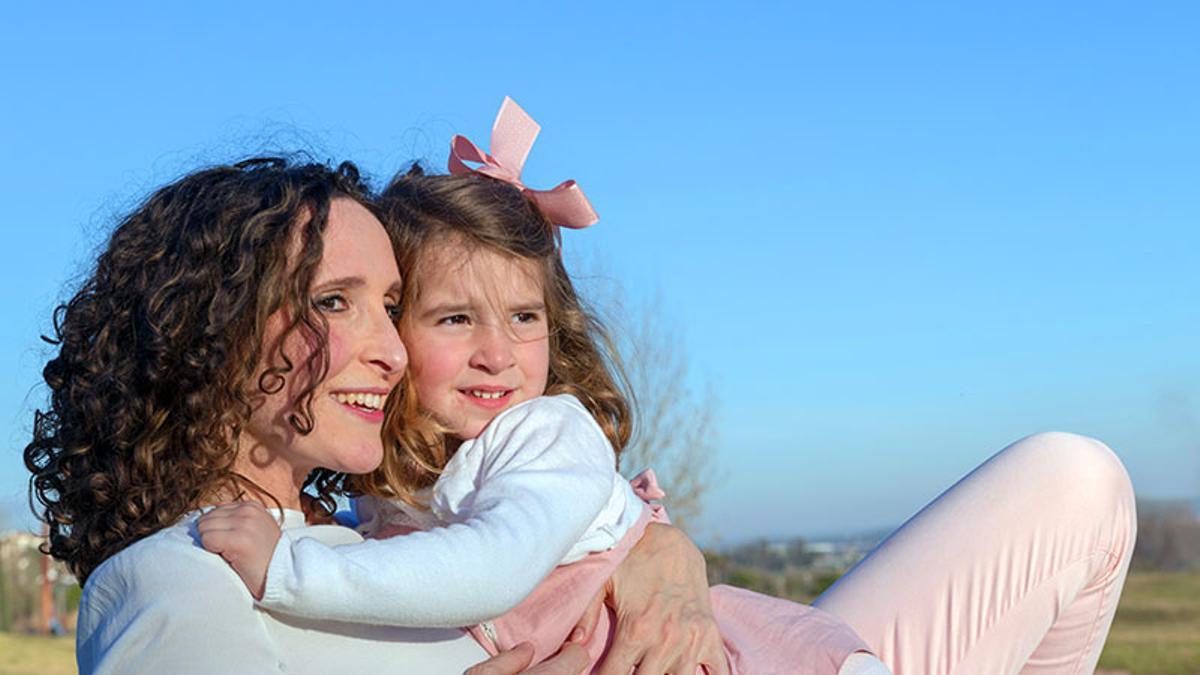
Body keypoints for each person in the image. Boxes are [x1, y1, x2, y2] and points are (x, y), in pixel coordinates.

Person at [202, 99, 1137, 675]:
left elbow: (493, 562)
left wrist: (289, 568)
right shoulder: (373, 512)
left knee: (1074, 474)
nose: (497, 352)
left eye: (524, 319)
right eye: (452, 320)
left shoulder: (540, 440)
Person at [25, 157, 725, 674]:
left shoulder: (376, 540)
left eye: (391, 308)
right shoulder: (178, 579)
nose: (392, 351)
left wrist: (658, 549)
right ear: (209, 329)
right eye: (334, 301)